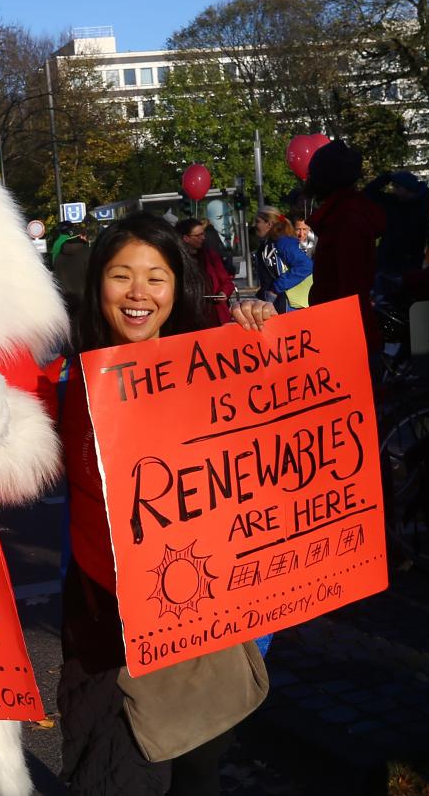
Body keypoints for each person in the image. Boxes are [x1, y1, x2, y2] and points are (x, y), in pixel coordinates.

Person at [57, 213, 276, 796]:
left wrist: (260, 329)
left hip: (198, 626)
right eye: (120, 275)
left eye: (155, 278)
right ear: (97, 284)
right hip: (103, 628)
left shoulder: (213, 369)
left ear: (177, 288)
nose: (137, 294)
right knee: (109, 776)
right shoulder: (69, 379)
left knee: (197, 771)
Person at [305, 141, 386, 346]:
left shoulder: (346, 219)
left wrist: (340, 339)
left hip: (346, 337)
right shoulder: (344, 215)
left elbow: (350, 288)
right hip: (343, 330)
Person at [365, 169, 429, 279]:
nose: (394, 190)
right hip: (385, 261)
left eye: (397, 187)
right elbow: (368, 193)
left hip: (410, 264)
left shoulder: (425, 204)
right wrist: (387, 176)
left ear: (408, 188)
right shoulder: (392, 201)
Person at [253, 207, 314, 312]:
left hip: (291, 305)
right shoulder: (269, 243)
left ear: (269, 224)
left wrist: (275, 288)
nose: (254, 225)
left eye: (258, 221)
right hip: (280, 302)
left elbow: (306, 265)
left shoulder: (283, 242)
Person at [175, 217, 235, 324]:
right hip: (189, 319)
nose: (203, 238)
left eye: (203, 234)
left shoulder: (210, 256)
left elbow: (227, 281)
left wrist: (223, 293)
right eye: (198, 235)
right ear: (186, 238)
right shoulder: (176, 260)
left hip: (215, 316)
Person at [51, 221, 92, 319]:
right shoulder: (88, 252)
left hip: (66, 300)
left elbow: (55, 268)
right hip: (85, 300)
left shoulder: (58, 245)